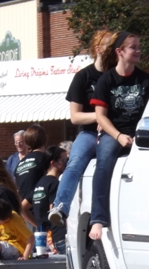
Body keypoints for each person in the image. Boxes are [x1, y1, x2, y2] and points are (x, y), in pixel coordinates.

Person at [87, 31, 149, 240]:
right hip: (114, 132)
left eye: (139, 47)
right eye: (133, 47)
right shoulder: (106, 80)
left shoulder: (145, 79)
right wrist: (118, 136)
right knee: (104, 162)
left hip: (141, 132)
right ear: (120, 52)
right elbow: (100, 116)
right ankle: (98, 218)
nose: (138, 51)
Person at [48, 29, 117, 228]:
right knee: (74, 163)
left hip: (113, 132)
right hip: (89, 132)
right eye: (110, 45)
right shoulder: (83, 77)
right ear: (98, 49)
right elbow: (75, 116)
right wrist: (99, 117)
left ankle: (103, 215)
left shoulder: (117, 75)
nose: (115, 49)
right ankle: (60, 207)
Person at [27, 145, 68, 254]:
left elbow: (22, 207)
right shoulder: (55, 184)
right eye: (64, 160)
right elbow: (53, 210)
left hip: (45, 240)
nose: (67, 163)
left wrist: (38, 224)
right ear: (53, 163)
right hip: (59, 238)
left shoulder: (40, 183)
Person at [13, 123, 48, 218]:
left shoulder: (20, 164)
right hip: (42, 212)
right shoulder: (45, 159)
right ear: (45, 140)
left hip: (25, 214)